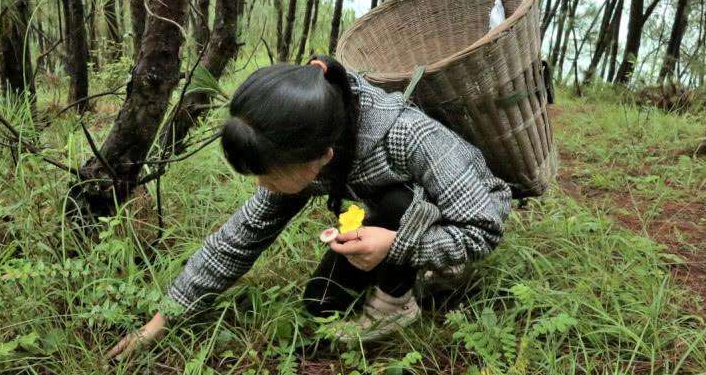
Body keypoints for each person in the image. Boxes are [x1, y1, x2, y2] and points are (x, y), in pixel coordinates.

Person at [107, 55, 512, 359]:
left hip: (457, 209)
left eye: (266, 176)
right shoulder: (310, 139)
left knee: (396, 202)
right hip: (387, 219)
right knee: (321, 306)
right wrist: (163, 319)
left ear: (320, 157)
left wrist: (397, 247)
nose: (262, 188)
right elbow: (239, 238)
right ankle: (407, 266)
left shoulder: (408, 135)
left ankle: (404, 299)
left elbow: (483, 226)